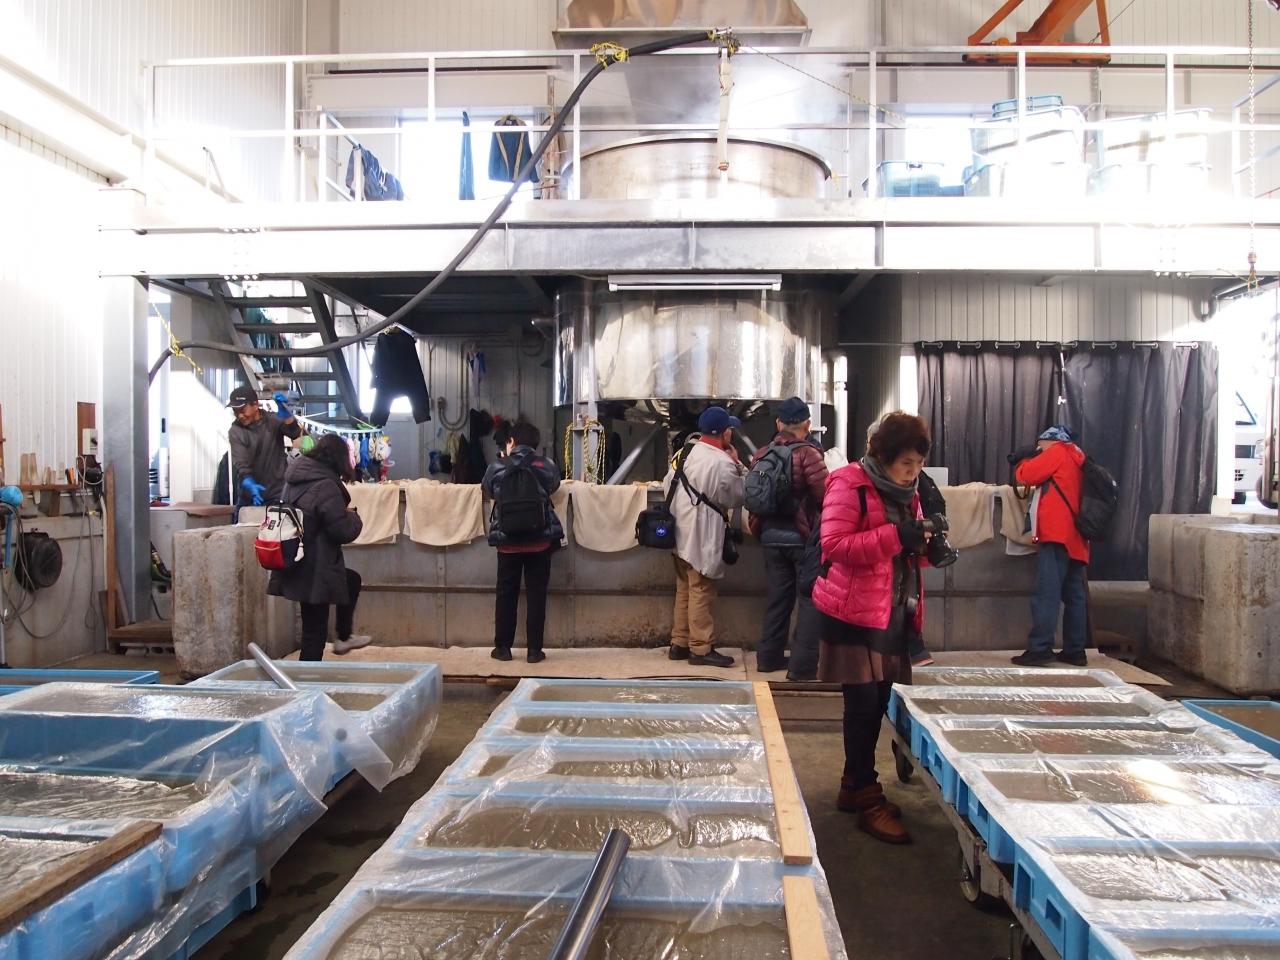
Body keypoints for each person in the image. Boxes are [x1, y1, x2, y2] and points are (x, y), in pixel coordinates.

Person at [813, 411, 932, 845]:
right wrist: (897, 537)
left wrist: (926, 547)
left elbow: (904, 545)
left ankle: (853, 785)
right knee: (862, 704)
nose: (913, 472)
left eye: (919, 464)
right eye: (906, 464)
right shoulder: (849, 483)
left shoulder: (909, 491)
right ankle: (867, 794)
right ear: (883, 457)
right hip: (851, 612)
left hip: (890, 610)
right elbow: (834, 544)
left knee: (878, 700)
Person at [267, 434, 371, 660]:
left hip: (296, 559)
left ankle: (344, 636)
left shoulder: (294, 479)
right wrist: (354, 517)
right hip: (314, 566)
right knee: (314, 634)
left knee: (350, 580)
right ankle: (307, 679)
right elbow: (341, 530)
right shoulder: (325, 485)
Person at [748, 396, 828, 681]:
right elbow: (826, 496)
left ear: (778, 423)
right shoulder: (809, 454)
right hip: (802, 539)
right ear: (808, 424)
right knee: (809, 600)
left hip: (770, 537)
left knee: (778, 598)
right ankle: (802, 666)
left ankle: (768, 658)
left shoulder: (762, 453)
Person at [665, 406, 747, 669]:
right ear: (725, 433)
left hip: (678, 534)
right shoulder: (722, 462)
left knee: (684, 589)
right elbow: (737, 497)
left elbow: (667, 485)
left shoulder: (684, 452)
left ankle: (679, 643)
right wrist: (738, 465)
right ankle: (700, 649)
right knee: (701, 590)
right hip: (702, 536)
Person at [1008, 425, 1091, 667]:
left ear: (1050, 441)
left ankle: (1040, 648)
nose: (1038, 449)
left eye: (1040, 445)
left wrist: (1025, 459)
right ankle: (1075, 650)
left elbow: (1025, 475)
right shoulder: (1078, 455)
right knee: (1074, 595)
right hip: (1078, 535)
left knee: (1047, 592)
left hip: (1056, 532)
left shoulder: (1058, 452)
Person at [483, 420, 562, 664]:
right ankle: (534, 651)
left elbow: (487, 489)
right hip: (539, 541)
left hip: (507, 541)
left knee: (506, 594)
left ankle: (503, 649)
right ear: (536, 444)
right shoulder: (546, 465)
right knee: (537, 596)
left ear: (512, 441)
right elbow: (554, 486)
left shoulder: (497, 466)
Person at [227, 386, 303, 506]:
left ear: (255, 405)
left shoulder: (273, 420)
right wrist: (249, 483)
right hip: (250, 496)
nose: (240, 415)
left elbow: (294, 433)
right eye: (236, 411)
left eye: (242, 410)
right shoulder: (236, 431)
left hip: (278, 493)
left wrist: (286, 414)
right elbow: (241, 463)